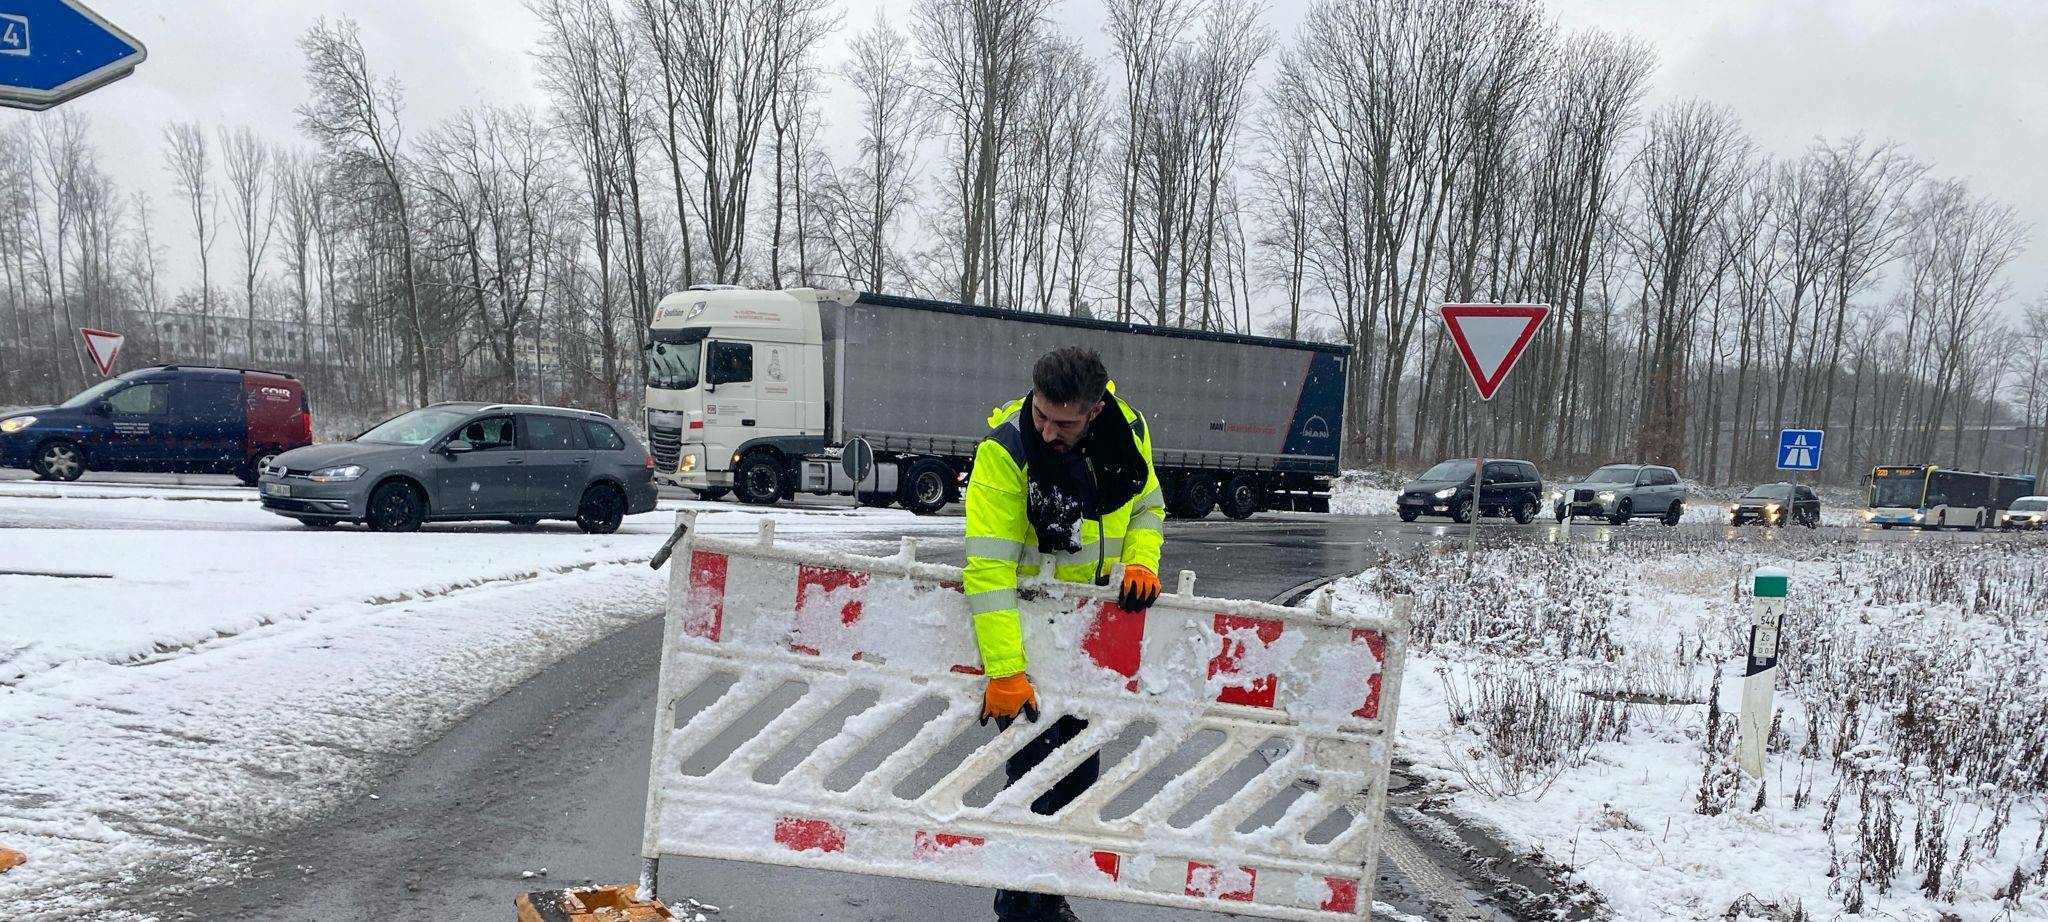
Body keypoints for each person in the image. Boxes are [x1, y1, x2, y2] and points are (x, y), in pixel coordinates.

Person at [962, 346, 1167, 922]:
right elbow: (988, 568)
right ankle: (1020, 908)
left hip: (1090, 635)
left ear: (1096, 412)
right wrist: (1004, 670)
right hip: (1027, 632)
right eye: (1042, 416)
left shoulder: (1128, 434)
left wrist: (1142, 562)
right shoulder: (1006, 450)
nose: (1048, 430)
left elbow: (1149, 506)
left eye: (1065, 423)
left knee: (1078, 776)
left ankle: (1046, 897)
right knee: (1032, 779)